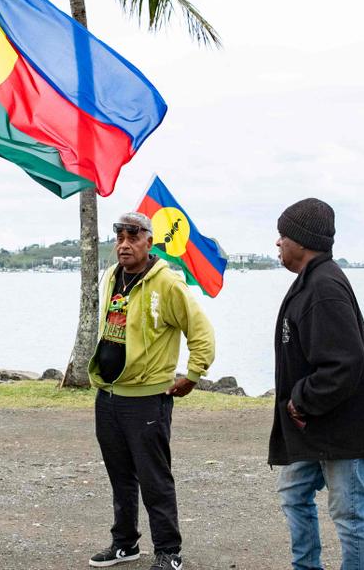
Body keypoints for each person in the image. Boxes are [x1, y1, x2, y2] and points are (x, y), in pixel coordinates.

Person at [270, 198, 364, 570]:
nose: (277, 242)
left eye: (283, 235)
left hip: (342, 426)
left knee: (349, 513)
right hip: (312, 425)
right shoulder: (312, 281)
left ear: (302, 242)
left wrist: (300, 401)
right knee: (293, 494)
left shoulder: (324, 287)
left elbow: (344, 362)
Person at [87, 212, 215, 570]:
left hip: (146, 400)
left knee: (154, 478)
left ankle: (169, 551)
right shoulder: (113, 276)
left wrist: (192, 374)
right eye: (120, 237)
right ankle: (124, 544)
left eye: (133, 236)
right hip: (109, 395)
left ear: (149, 241)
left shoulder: (168, 283)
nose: (124, 244)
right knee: (120, 476)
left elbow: (201, 331)